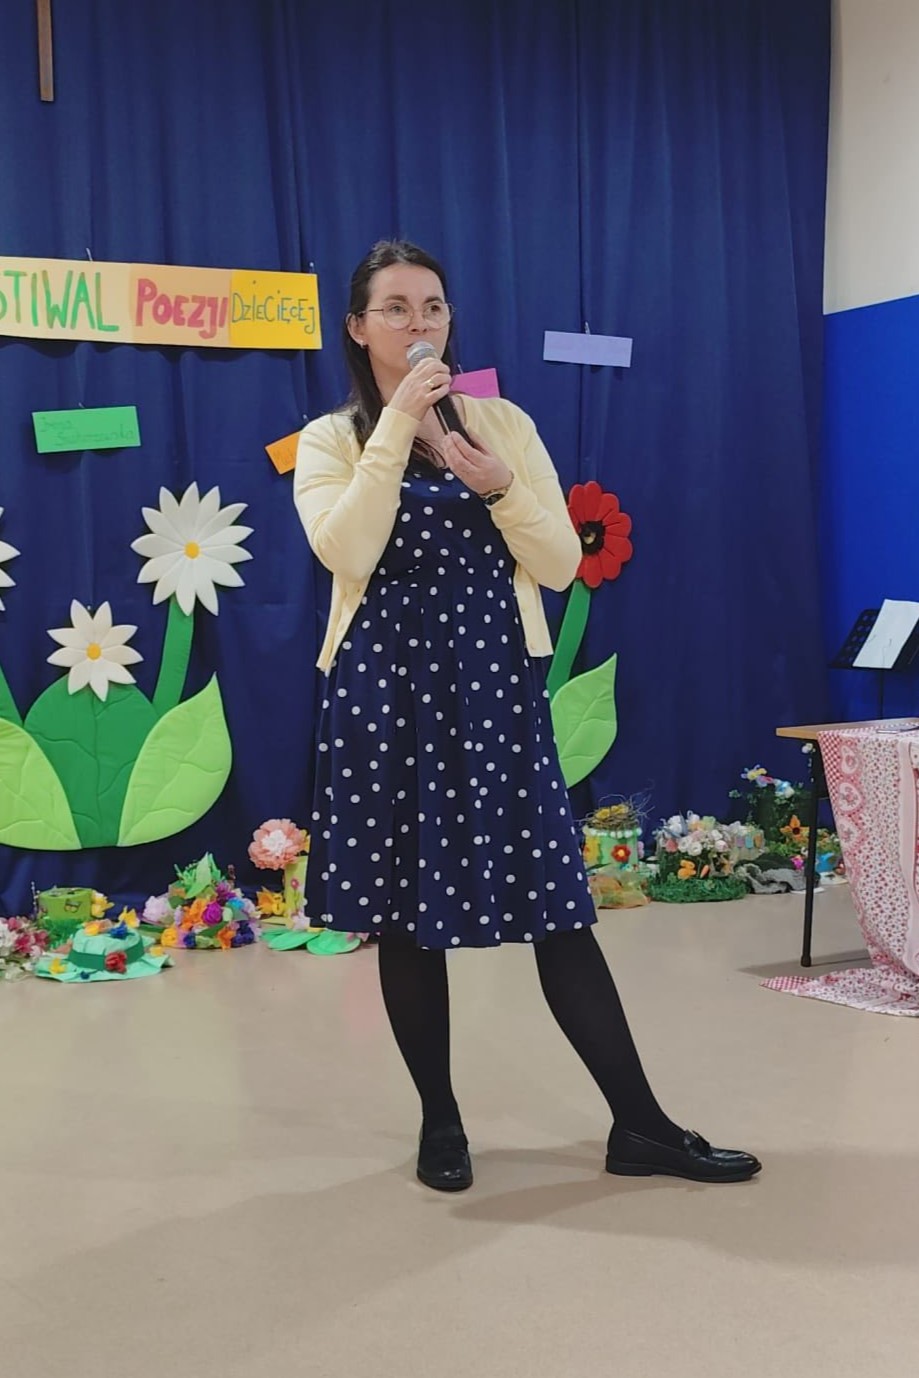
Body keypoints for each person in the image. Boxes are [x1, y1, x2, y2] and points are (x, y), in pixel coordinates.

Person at [293, 240, 760, 1192]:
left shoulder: (504, 423)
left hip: (492, 688)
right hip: (384, 694)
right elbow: (345, 551)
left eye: (432, 306)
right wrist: (398, 426)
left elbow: (555, 564)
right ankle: (440, 1122)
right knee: (404, 919)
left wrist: (498, 486)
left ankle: (641, 1126)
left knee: (557, 908)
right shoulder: (331, 440)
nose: (418, 324)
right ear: (357, 327)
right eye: (395, 308)